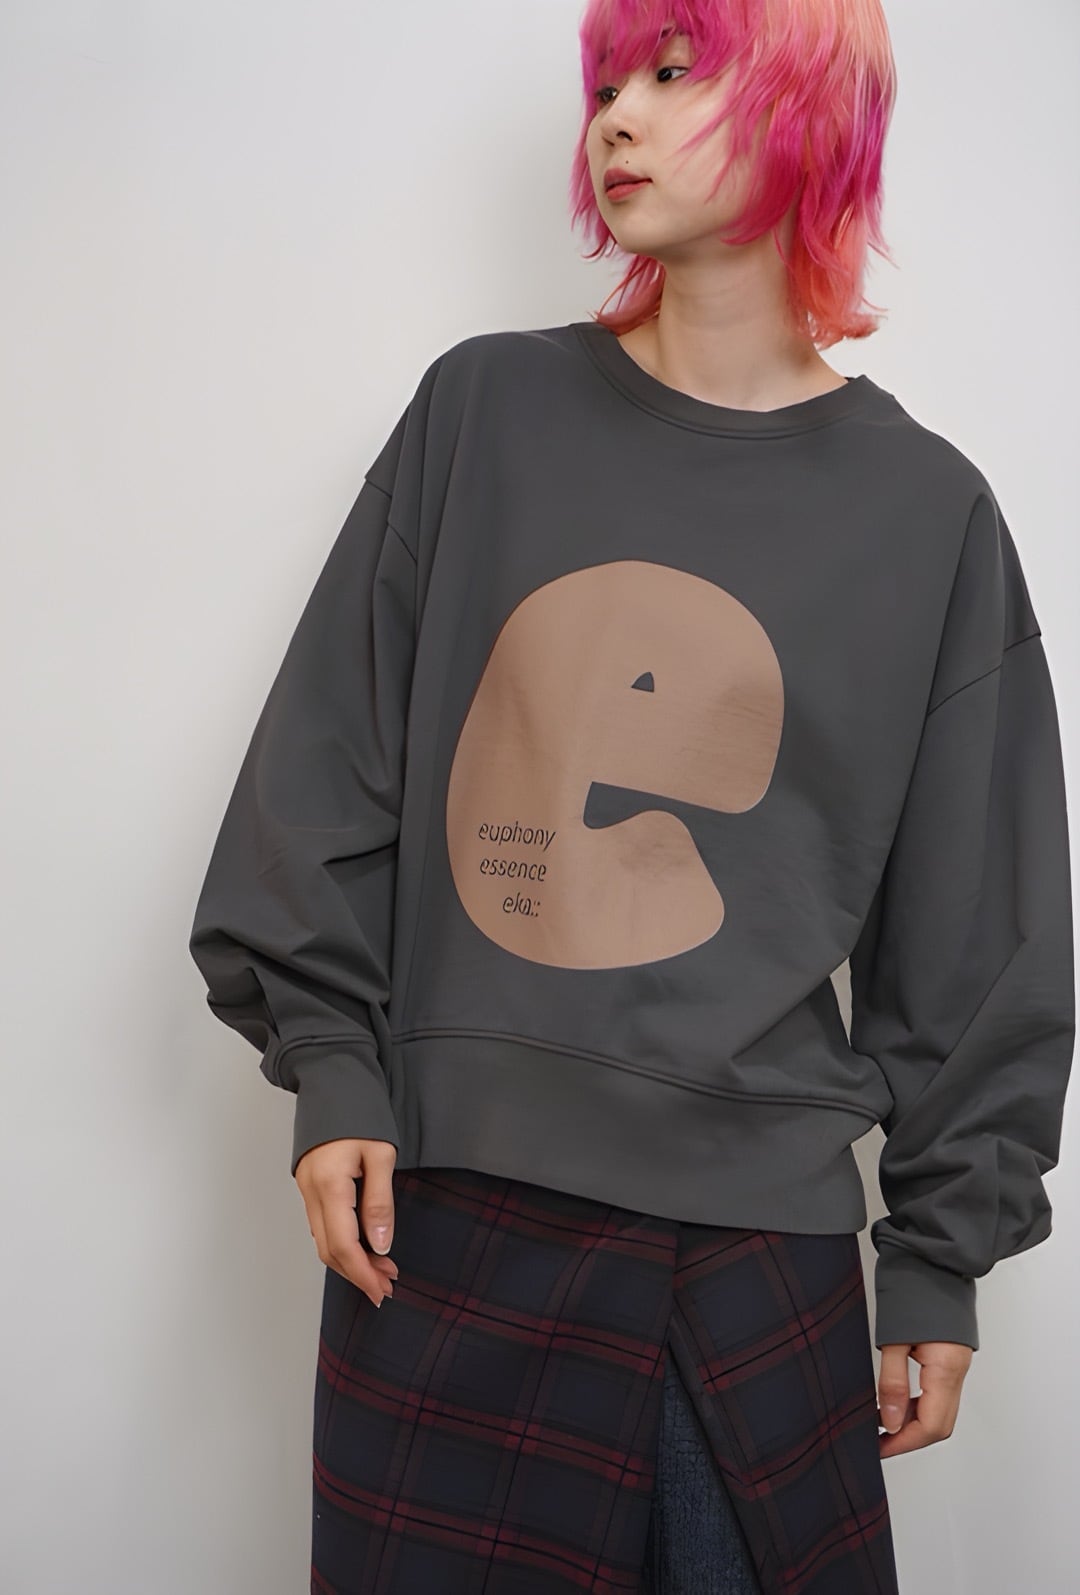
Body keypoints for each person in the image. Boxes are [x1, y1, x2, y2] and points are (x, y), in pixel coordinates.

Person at [188, 2, 1076, 1591]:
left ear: (812, 113)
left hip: (757, 1248)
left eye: (677, 72)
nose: (617, 114)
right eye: (608, 80)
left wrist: (941, 1258)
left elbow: (981, 932)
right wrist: (333, 1070)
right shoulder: (485, 414)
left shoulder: (926, 512)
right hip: (451, 1219)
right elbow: (329, 768)